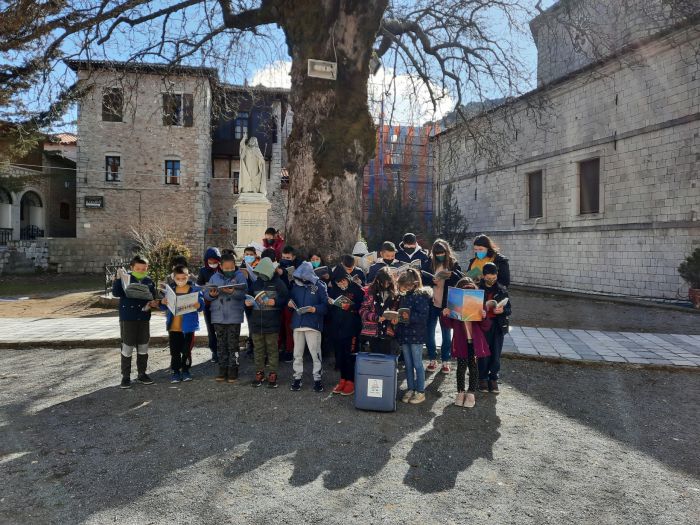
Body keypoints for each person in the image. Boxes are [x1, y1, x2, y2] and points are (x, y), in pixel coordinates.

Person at [442, 277, 492, 408]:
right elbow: (449, 325)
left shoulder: (480, 306)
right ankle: (460, 392)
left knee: (474, 367)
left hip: (474, 343)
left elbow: (486, 327)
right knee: (461, 367)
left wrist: (484, 316)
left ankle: (471, 393)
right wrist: (445, 314)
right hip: (461, 342)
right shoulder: (454, 306)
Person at [113, 255, 159, 389]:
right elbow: (116, 293)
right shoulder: (125, 278)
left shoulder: (149, 280)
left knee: (143, 345)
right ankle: (125, 376)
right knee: (127, 346)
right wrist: (117, 279)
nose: (141, 271)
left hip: (144, 317)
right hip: (128, 318)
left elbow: (153, 296)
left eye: (144, 269)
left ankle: (142, 373)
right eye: (138, 269)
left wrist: (154, 303)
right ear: (132, 268)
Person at [245, 257, 289, 389]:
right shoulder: (256, 283)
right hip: (256, 322)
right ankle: (259, 373)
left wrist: (275, 302)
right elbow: (249, 297)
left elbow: (286, 298)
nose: (262, 275)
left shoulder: (278, 283)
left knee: (272, 349)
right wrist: (247, 303)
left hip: (272, 322)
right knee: (258, 349)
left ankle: (273, 373)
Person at [203, 253, 247, 383]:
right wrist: (211, 294)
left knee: (233, 345)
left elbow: (244, 293)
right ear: (220, 266)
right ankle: (222, 369)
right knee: (221, 345)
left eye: (231, 268)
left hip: (234, 316)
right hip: (218, 316)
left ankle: (233, 370)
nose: (229, 270)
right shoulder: (214, 277)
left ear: (235, 266)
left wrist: (233, 292)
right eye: (226, 268)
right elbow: (206, 294)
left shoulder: (240, 276)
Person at [288, 262, 329, 392]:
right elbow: (291, 300)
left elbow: (326, 306)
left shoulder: (320, 286)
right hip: (298, 323)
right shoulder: (295, 286)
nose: (303, 279)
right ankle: (297, 378)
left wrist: (314, 309)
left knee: (315, 352)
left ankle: (317, 379)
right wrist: (289, 303)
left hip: (313, 324)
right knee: (297, 353)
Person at [424, 239, 464, 374]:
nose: (439, 255)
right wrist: (431, 280)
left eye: (442, 253)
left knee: (446, 334)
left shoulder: (453, 263)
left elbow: (461, 280)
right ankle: (432, 359)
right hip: (431, 303)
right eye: (437, 253)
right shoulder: (428, 263)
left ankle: (445, 361)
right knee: (429, 333)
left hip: (446, 305)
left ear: (447, 252)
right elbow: (422, 278)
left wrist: (452, 274)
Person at [160, 265, 205, 383]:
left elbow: (201, 305)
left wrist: (198, 305)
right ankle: (175, 372)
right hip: (174, 328)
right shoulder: (170, 289)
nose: (181, 281)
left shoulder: (194, 289)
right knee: (174, 351)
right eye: (178, 279)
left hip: (188, 328)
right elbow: (163, 305)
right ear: (173, 278)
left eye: (183, 278)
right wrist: (163, 302)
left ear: (188, 276)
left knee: (186, 351)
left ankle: (186, 371)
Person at [395, 269, 432, 405]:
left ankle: (420, 391)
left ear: (414, 284)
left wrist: (406, 316)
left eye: (405, 286)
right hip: (405, 334)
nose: (403, 288)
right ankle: (410, 388)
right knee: (408, 364)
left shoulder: (421, 295)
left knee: (417, 363)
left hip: (416, 335)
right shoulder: (404, 295)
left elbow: (423, 317)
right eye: (402, 286)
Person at [327, 267, 365, 396]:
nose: (341, 284)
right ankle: (342, 379)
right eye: (338, 282)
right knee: (340, 355)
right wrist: (330, 304)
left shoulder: (356, 289)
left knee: (350, 355)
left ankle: (351, 381)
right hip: (337, 328)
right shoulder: (333, 291)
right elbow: (329, 310)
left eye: (343, 281)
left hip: (352, 328)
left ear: (347, 278)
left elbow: (363, 306)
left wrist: (351, 307)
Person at [478, 262, 512, 393]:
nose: (491, 280)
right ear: (483, 276)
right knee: (483, 353)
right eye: (488, 278)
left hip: (498, 325)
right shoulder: (477, 289)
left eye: (494, 278)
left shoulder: (502, 289)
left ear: (497, 276)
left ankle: (493, 378)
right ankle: (482, 378)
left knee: (496, 353)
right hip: (483, 325)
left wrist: (502, 310)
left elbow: (509, 309)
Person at [359, 267, 401, 355]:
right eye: (383, 282)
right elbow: (362, 310)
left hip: (388, 330)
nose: (386, 285)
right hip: (373, 330)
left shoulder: (395, 293)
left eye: (388, 283)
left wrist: (395, 319)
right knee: (375, 355)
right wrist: (376, 317)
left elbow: (397, 310)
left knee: (387, 354)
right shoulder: (369, 292)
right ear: (378, 280)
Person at [277, 245, 303, 362]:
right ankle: (280, 349)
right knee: (280, 326)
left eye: (288, 257)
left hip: (292, 300)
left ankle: (289, 350)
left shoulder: (299, 265)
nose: (285, 259)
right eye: (283, 257)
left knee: (289, 327)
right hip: (280, 300)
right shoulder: (279, 265)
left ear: (293, 257)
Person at [197, 247, 222, 363]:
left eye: (215, 262)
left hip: (222, 304)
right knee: (211, 329)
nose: (212, 264)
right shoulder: (203, 271)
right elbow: (199, 286)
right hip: (208, 305)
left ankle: (223, 350)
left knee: (222, 328)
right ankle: (214, 351)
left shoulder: (222, 269)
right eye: (210, 262)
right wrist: (206, 289)